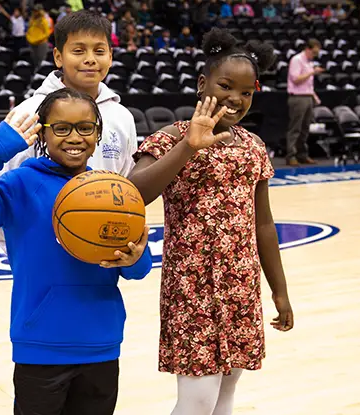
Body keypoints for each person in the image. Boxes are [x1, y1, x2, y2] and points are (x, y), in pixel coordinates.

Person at [0, 88, 152, 415]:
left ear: (98, 133)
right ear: (43, 133)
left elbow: (137, 267)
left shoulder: (114, 192)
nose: (74, 137)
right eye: (61, 128)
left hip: (100, 343)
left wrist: (134, 258)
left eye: (85, 128)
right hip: (40, 347)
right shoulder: (20, 183)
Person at [128, 28, 294, 415]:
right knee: (197, 400)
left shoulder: (253, 147)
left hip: (240, 286)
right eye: (225, 86)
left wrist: (279, 291)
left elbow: (264, 225)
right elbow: (135, 193)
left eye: (247, 92)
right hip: (192, 288)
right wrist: (188, 147)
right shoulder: (171, 137)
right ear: (203, 83)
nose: (235, 99)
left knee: (226, 392)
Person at [0, 10, 138, 253]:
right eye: (78, 51)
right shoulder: (27, 113)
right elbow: (4, 186)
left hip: (101, 246)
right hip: (39, 248)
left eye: (99, 51)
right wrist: (14, 249)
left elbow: (127, 182)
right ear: (58, 57)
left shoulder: (122, 117)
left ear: (111, 57)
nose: (90, 59)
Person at [286, 38, 323, 166]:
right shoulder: (297, 60)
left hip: (308, 97)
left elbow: (308, 85)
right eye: (313, 52)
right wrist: (312, 72)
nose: (314, 55)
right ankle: (291, 155)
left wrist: (315, 97)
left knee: (305, 128)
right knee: (295, 128)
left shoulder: (309, 62)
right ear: (307, 49)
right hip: (298, 97)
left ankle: (302, 154)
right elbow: (296, 79)